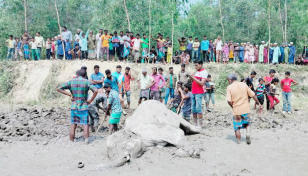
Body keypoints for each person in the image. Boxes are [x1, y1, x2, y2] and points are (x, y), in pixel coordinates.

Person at [57, 69, 98, 144]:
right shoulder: (87, 82)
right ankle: (86, 140)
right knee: (85, 124)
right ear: (85, 75)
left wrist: (70, 94)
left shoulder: (71, 81)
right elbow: (96, 91)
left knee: (73, 124)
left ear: (77, 75)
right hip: (84, 107)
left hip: (74, 106)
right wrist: (90, 100)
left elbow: (59, 88)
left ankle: (71, 140)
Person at [226, 73, 261, 145]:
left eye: (228, 80)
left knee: (237, 127)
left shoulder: (229, 87)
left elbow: (229, 100)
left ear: (231, 80)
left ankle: (239, 142)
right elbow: (253, 94)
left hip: (236, 110)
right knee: (247, 123)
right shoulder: (244, 85)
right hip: (246, 109)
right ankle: (248, 133)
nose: (228, 81)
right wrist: (258, 103)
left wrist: (233, 106)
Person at [190, 60, 208, 128]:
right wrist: (192, 78)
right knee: (193, 108)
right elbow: (194, 81)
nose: (195, 67)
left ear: (201, 64)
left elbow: (202, 83)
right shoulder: (197, 72)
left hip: (199, 92)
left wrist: (193, 78)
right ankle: (195, 123)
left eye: (196, 65)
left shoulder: (204, 72)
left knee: (198, 108)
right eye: (195, 65)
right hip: (193, 92)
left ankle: (200, 124)